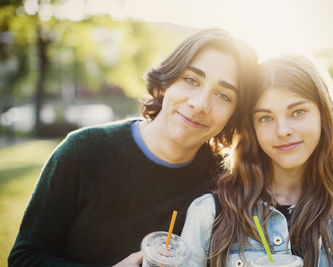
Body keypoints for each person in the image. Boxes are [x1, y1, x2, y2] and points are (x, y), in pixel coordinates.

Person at [8, 28, 259, 267]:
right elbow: (25, 257)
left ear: (234, 115)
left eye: (224, 95)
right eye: (191, 80)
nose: (200, 103)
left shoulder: (223, 183)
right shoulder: (83, 152)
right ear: (166, 82)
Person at [181, 54, 333, 266]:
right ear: (252, 128)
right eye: (266, 118)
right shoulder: (209, 215)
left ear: (324, 115)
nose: (283, 130)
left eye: (297, 112)